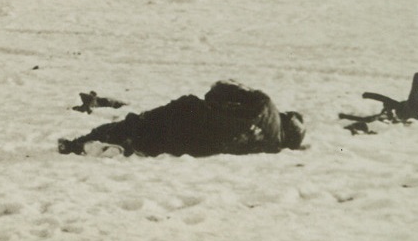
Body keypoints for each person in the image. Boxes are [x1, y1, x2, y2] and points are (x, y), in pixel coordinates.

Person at [58, 80, 305, 157]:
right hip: (205, 144)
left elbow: (218, 89)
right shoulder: (272, 145)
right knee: (162, 140)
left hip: (196, 115)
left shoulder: (265, 103)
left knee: (139, 122)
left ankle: (79, 143)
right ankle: (130, 147)